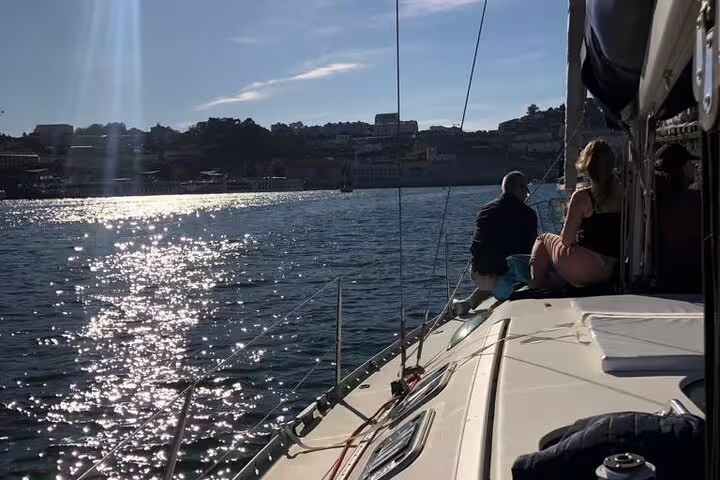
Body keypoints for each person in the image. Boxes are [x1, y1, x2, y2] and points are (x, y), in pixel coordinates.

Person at [530, 139, 622, 289]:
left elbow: (566, 241)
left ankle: (537, 282)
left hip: (585, 269)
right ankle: (560, 279)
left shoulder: (582, 196)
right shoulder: (625, 193)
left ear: (587, 165)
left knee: (543, 238)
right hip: (612, 270)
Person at [451, 171, 538, 315]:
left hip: (477, 273)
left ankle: (468, 303)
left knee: (496, 268)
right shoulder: (527, 214)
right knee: (529, 263)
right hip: (503, 280)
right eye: (526, 190)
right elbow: (531, 252)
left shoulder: (484, 210)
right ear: (521, 189)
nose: (526, 194)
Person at [654, 143, 702, 292]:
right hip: (692, 278)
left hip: (664, 276)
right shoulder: (693, 199)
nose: (694, 168)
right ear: (682, 167)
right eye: (690, 163)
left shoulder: (656, 199)